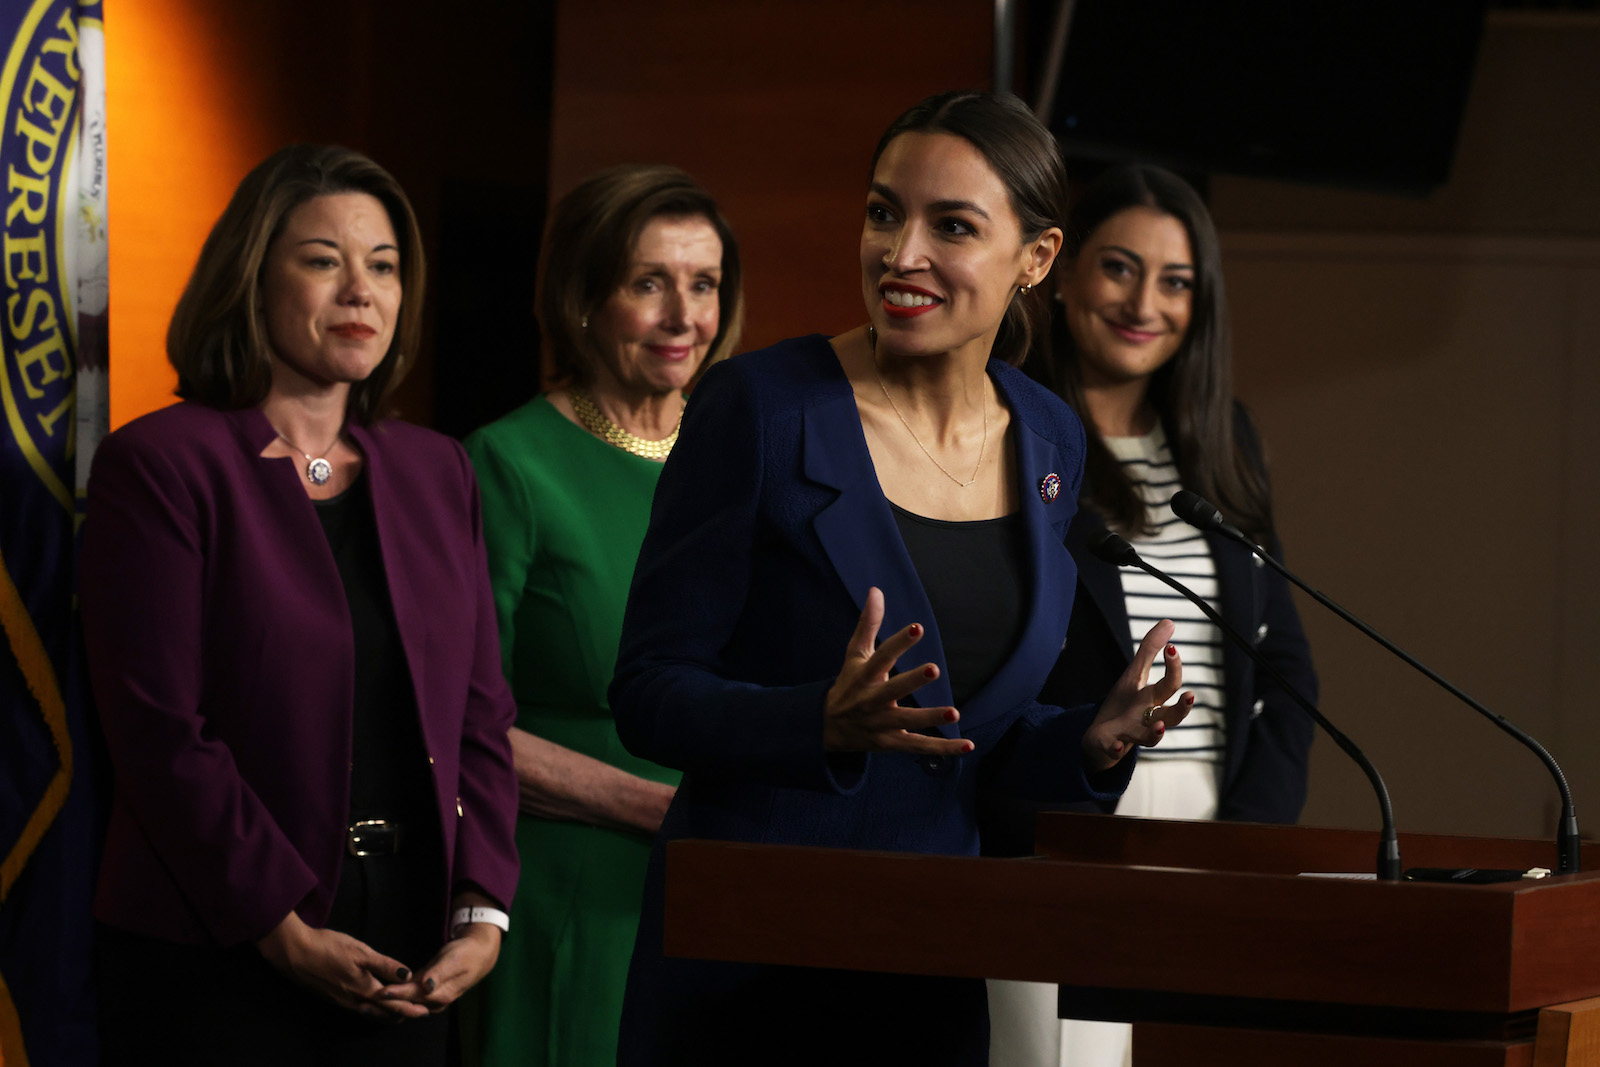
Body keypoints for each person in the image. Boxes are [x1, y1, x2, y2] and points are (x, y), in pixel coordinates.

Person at [608, 91, 1194, 1067]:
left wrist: (1086, 744)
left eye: (951, 225)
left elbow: (973, 737)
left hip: (927, 964)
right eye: (884, 212)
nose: (899, 251)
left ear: (1036, 258)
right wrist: (817, 721)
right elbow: (646, 692)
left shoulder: (1047, 435)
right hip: (750, 963)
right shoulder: (760, 408)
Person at [80, 145, 520, 1066]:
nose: (361, 289)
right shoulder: (163, 464)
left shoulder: (438, 471)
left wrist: (482, 909)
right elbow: (160, 734)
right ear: (254, 280)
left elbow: (480, 717)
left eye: (385, 265)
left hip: (410, 952)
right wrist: (280, 925)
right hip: (219, 952)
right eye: (324, 260)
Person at [984, 164, 1318, 1067]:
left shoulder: (1225, 442)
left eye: (1176, 282)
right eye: (1119, 268)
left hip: (1212, 833)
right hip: (1067, 824)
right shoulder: (1009, 435)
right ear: (1061, 272)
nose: (1145, 303)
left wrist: (1245, 846)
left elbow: (1287, 672)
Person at [459, 165, 743, 1067]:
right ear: (583, 297)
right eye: (648, 283)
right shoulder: (505, 466)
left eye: (703, 285)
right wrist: (653, 808)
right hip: (564, 893)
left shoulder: (742, 461)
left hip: (719, 891)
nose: (682, 317)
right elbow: (458, 725)